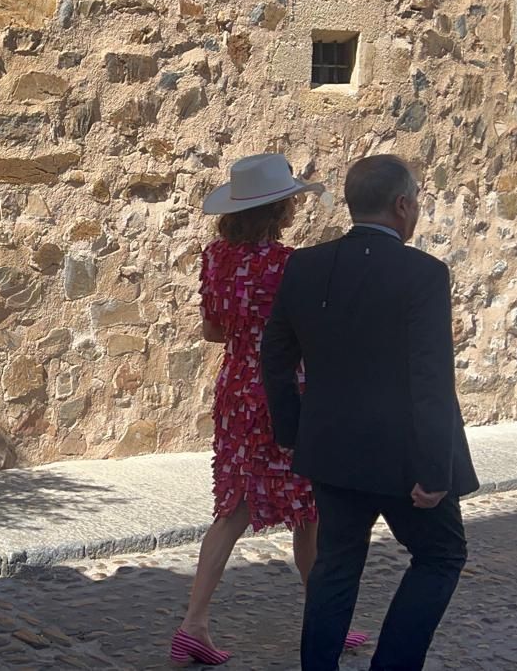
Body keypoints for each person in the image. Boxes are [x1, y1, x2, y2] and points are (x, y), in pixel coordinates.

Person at [261, 154, 479, 671]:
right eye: (418, 201)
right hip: (404, 457)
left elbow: (274, 356)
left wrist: (292, 430)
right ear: (403, 205)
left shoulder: (306, 265)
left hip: (331, 449)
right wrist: (435, 468)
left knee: (335, 565)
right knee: (441, 556)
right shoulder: (423, 273)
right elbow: (430, 377)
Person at [172, 154, 367, 666]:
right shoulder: (288, 265)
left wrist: (246, 331)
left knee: (234, 508)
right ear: (280, 209)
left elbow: (213, 330)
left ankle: (194, 622)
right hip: (288, 390)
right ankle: (328, 622)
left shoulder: (215, 258)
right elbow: (312, 333)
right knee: (308, 509)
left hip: (237, 388)